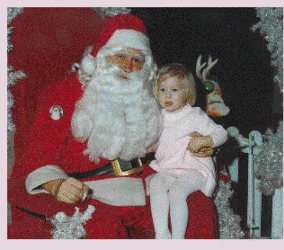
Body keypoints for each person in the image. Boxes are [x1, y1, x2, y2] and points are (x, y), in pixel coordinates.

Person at [8, 14, 217, 239]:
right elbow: (37, 157)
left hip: (142, 187)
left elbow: (174, 134)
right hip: (89, 192)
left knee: (197, 205)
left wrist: (199, 145)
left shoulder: (149, 97)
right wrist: (57, 184)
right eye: (120, 56)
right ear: (100, 58)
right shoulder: (62, 94)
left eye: (138, 60)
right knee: (103, 224)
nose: (129, 66)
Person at [149, 63, 228, 239]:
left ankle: (178, 238)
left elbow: (222, 133)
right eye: (162, 90)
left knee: (177, 193)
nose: (167, 95)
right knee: (155, 185)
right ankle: (161, 234)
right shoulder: (158, 117)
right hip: (169, 168)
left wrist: (206, 140)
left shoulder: (194, 116)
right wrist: (149, 145)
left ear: (186, 93)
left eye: (174, 90)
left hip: (195, 169)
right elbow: (159, 143)